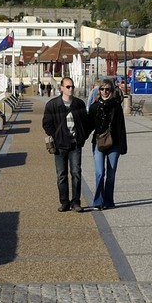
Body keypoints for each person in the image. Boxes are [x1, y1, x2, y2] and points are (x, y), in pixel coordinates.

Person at [42, 76, 91, 211]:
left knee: (76, 173)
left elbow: (86, 123)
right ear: (61, 88)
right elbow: (46, 123)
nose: (71, 89)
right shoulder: (52, 105)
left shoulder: (79, 104)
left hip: (75, 144)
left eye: (72, 86)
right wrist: (56, 137)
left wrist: (82, 137)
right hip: (60, 145)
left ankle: (76, 202)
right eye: (68, 87)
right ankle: (64, 202)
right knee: (61, 174)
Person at [88, 79, 127, 210]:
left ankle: (109, 200)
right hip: (98, 142)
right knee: (99, 172)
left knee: (111, 174)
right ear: (99, 91)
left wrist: (123, 146)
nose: (105, 92)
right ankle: (98, 201)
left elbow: (121, 127)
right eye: (102, 89)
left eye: (107, 89)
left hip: (114, 143)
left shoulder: (116, 106)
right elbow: (89, 125)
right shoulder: (95, 107)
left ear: (111, 91)